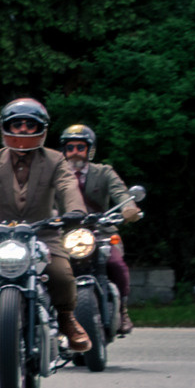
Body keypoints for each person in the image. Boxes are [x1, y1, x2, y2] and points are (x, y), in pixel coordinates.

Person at [0, 98, 88, 358]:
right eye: (17, 124)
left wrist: (75, 212)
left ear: (41, 128)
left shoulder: (56, 160)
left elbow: (68, 185)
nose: (23, 129)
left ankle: (67, 319)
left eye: (29, 124)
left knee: (62, 276)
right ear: (6, 127)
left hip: (43, 234)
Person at [60, 124, 143, 335]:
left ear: (90, 149)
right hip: (65, 233)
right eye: (70, 147)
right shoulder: (57, 175)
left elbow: (120, 192)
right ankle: (50, 316)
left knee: (115, 263)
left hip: (101, 230)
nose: (75, 152)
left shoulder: (103, 172)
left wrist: (128, 208)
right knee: (50, 268)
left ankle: (122, 310)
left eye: (80, 147)